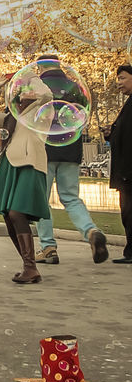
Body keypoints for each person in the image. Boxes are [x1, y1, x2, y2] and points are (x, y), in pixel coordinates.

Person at [0, 72, 52, 285]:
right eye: (21, 90)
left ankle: (30, 267)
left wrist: (30, 77)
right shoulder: (10, 118)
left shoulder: (40, 114)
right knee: (8, 216)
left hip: (29, 166)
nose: (23, 92)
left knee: (16, 212)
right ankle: (30, 267)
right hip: (9, 167)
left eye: (27, 89)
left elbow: (46, 95)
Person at [32, 64, 109, 265]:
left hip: (44, 151)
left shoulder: (38, 87)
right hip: (70, 150)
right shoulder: (75, 88)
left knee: (42, 200)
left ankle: (48, 247)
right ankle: (91, 231)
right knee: (71, 198)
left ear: (41, 67)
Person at [108, 64, 132, 264]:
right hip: (125, 171)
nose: (119, 83)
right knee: (127, 213)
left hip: (129, 172)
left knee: (130, 212)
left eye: (123, 78)